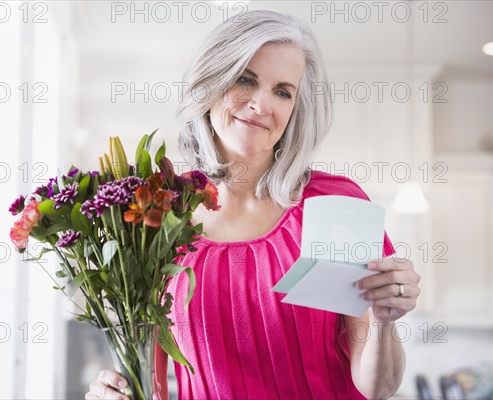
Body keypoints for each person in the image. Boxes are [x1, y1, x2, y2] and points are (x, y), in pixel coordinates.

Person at [86, 9, 421, 400]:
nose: (262, 105)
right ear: (211, 84)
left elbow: (378, 386)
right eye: (245, 80)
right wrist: (115, 392)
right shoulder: (158, 220)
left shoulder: (332, 207)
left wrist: (383, 321)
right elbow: (152, 385)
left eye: (283, 91)